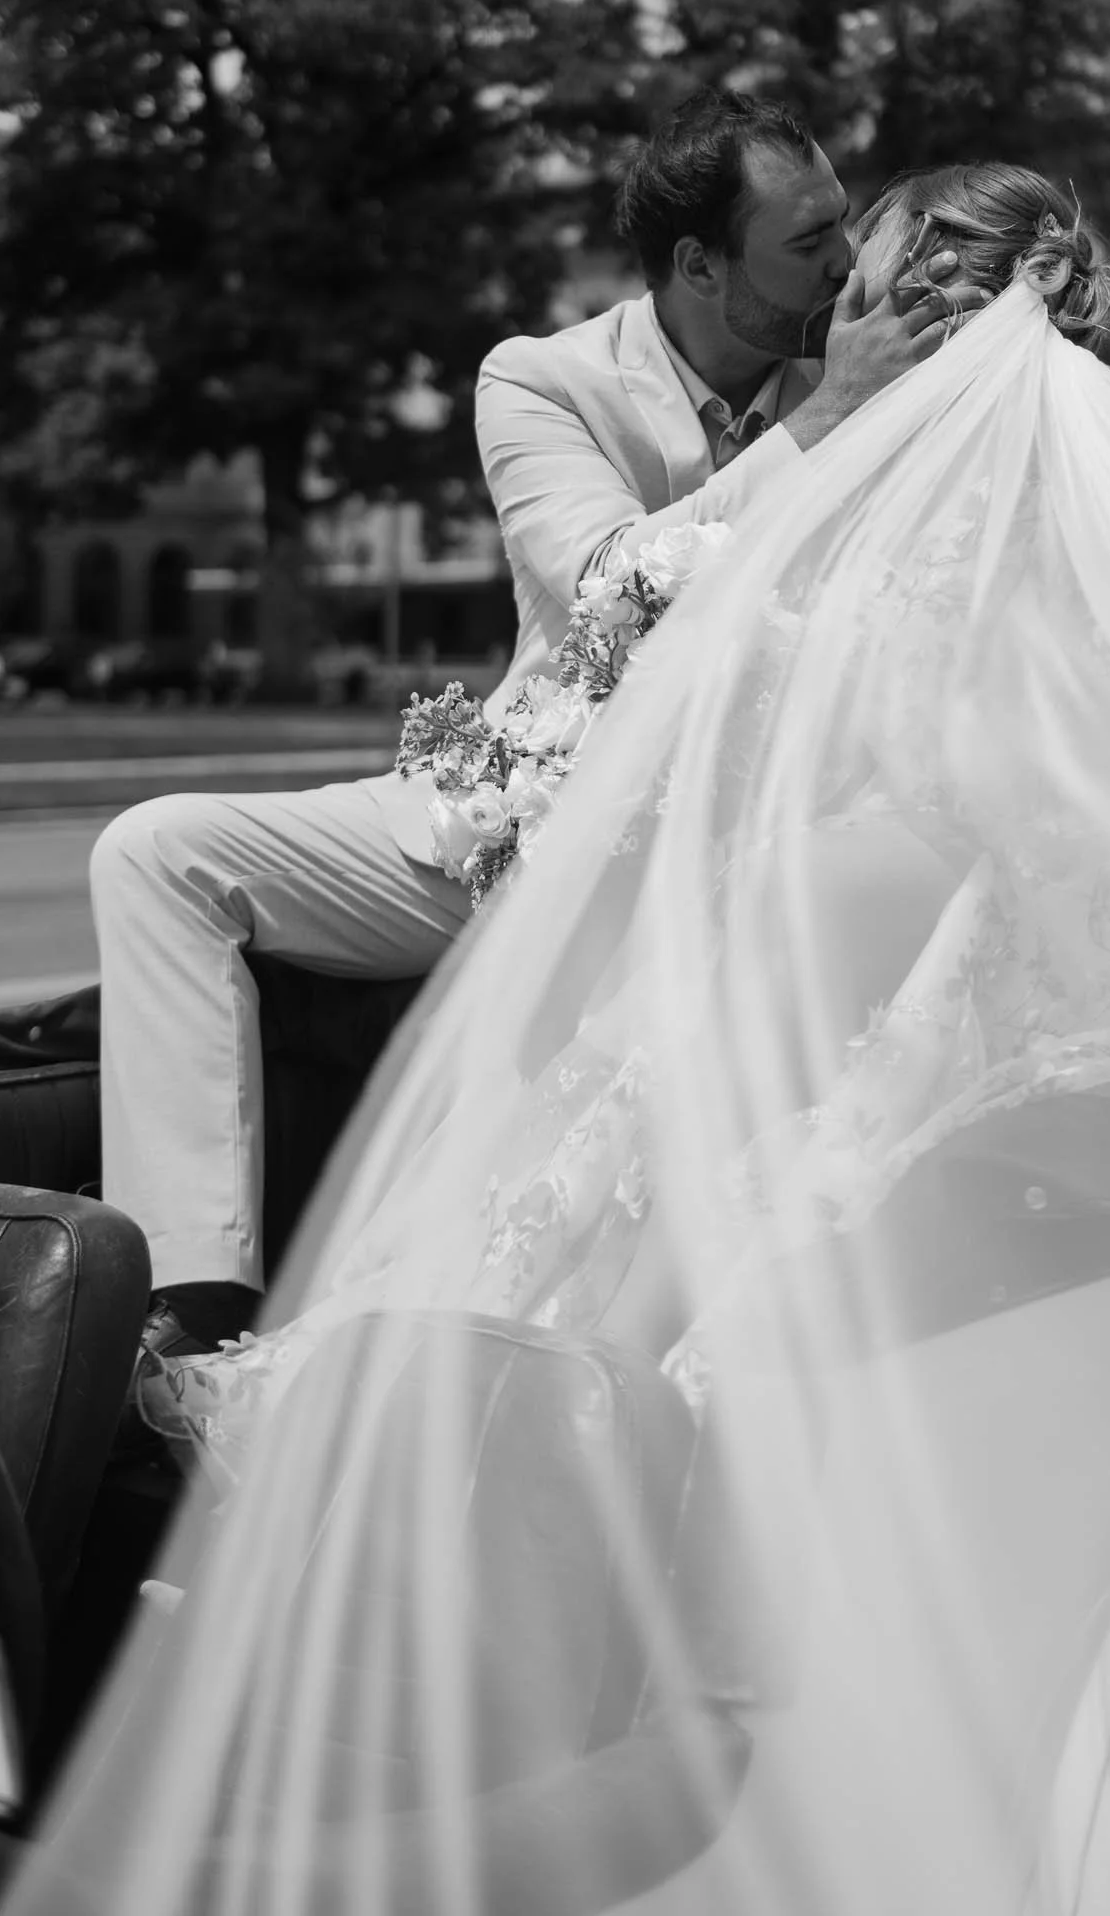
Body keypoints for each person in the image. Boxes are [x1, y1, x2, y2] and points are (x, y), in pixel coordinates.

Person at [6, 162, 1110, 1915]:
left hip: (1005, 1024)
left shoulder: (921, 534)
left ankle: (535, 1580)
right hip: (1108, 1022)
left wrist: (708, 948)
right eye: (820, 273)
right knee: (635, 1067)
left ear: (917, 312)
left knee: (639, 1110)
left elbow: (867, 828)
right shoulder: (952, 481)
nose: (829, 319)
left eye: (860, 279)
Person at [91, 88, 978, 1376]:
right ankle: (194, 1296)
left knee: (500, 1175)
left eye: (843, 226)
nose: (846, 265)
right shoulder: (542, 381)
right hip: (517, 818)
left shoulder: (861, 375)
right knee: (157, 851)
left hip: (732, 854)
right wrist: (818, 424)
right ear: (697, 266)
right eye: (808, 243)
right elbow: (614, 583)